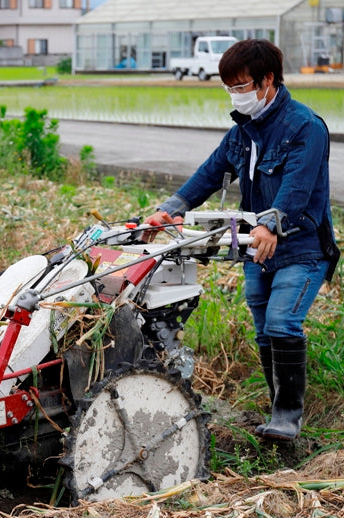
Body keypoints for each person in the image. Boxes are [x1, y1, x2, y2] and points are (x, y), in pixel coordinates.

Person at [143, 39, 340, 441]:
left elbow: (297, 190)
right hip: (257, 249)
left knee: (283, 321)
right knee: (266, 331)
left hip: (300, 248)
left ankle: (288, 416)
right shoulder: (242, 133)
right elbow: (207, 175)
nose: (236, 94)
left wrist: (270, 223)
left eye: (242, 86)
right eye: (230, 88)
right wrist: (169, 210)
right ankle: (277, 411)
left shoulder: (305, 126)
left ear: (268, 80)